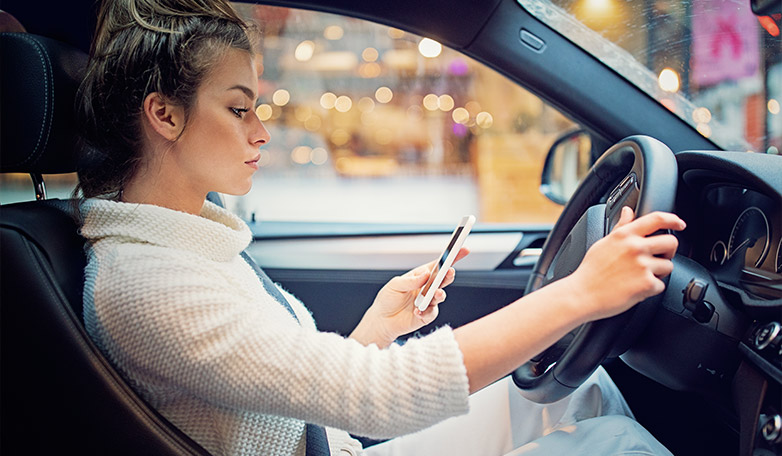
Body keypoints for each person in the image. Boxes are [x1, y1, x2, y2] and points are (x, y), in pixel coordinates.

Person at [76, 1, 685, 455]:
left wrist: (378, 328)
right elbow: (376, 394)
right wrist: (580, 292)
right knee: (612, 446)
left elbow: (289, 386)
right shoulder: (144, 281)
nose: (260, 131)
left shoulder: (183, 242)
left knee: (579, 395)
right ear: (164, 114)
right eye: (239, 109)